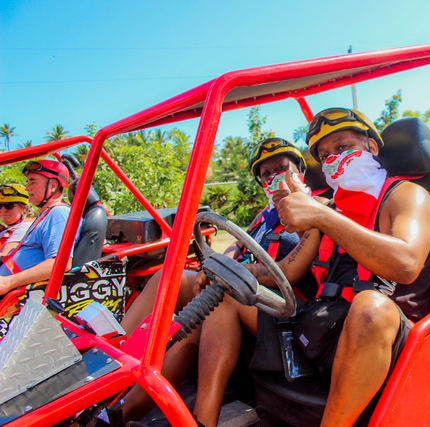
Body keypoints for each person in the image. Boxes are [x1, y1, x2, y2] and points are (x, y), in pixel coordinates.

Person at [172, 108, 430, 427]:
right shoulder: (328, 206)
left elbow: (406, 264)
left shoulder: (406, 195)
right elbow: (287, 270)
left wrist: (323, 216)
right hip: (320, 322)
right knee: (225, 295)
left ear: (372, 147)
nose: (333, 159)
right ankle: (201, 422)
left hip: (386, 333)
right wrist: (232, 271)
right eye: (325, 155)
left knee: (370, 306)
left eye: (342, 147)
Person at [119, 138, 318, 422]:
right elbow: (234, 247)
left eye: (281, 169)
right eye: (266, 175)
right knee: (168, 277)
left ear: (299, 170)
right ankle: (114, 364)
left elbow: (292, 271)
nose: (274, 178)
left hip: (286, 308)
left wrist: (231, 275)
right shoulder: (264, 216)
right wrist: (217, 265)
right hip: (248, 295)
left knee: (220, 298)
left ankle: (198, 417)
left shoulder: (316, 207)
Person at [0, 160, 82, 295]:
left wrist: (8, 282)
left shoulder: (59, 213)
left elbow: (61, 263)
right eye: (28, 183)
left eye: (33, 182)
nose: (27, 188)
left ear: (53, 185)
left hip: (16, 298)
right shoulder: (46, 214)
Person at [0, 184, 37, 257]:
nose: (3, 210)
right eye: (0, 206)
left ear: (24, 208)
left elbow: (4, 257)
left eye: (9, 205)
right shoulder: (10, 229)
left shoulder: (25, 227)